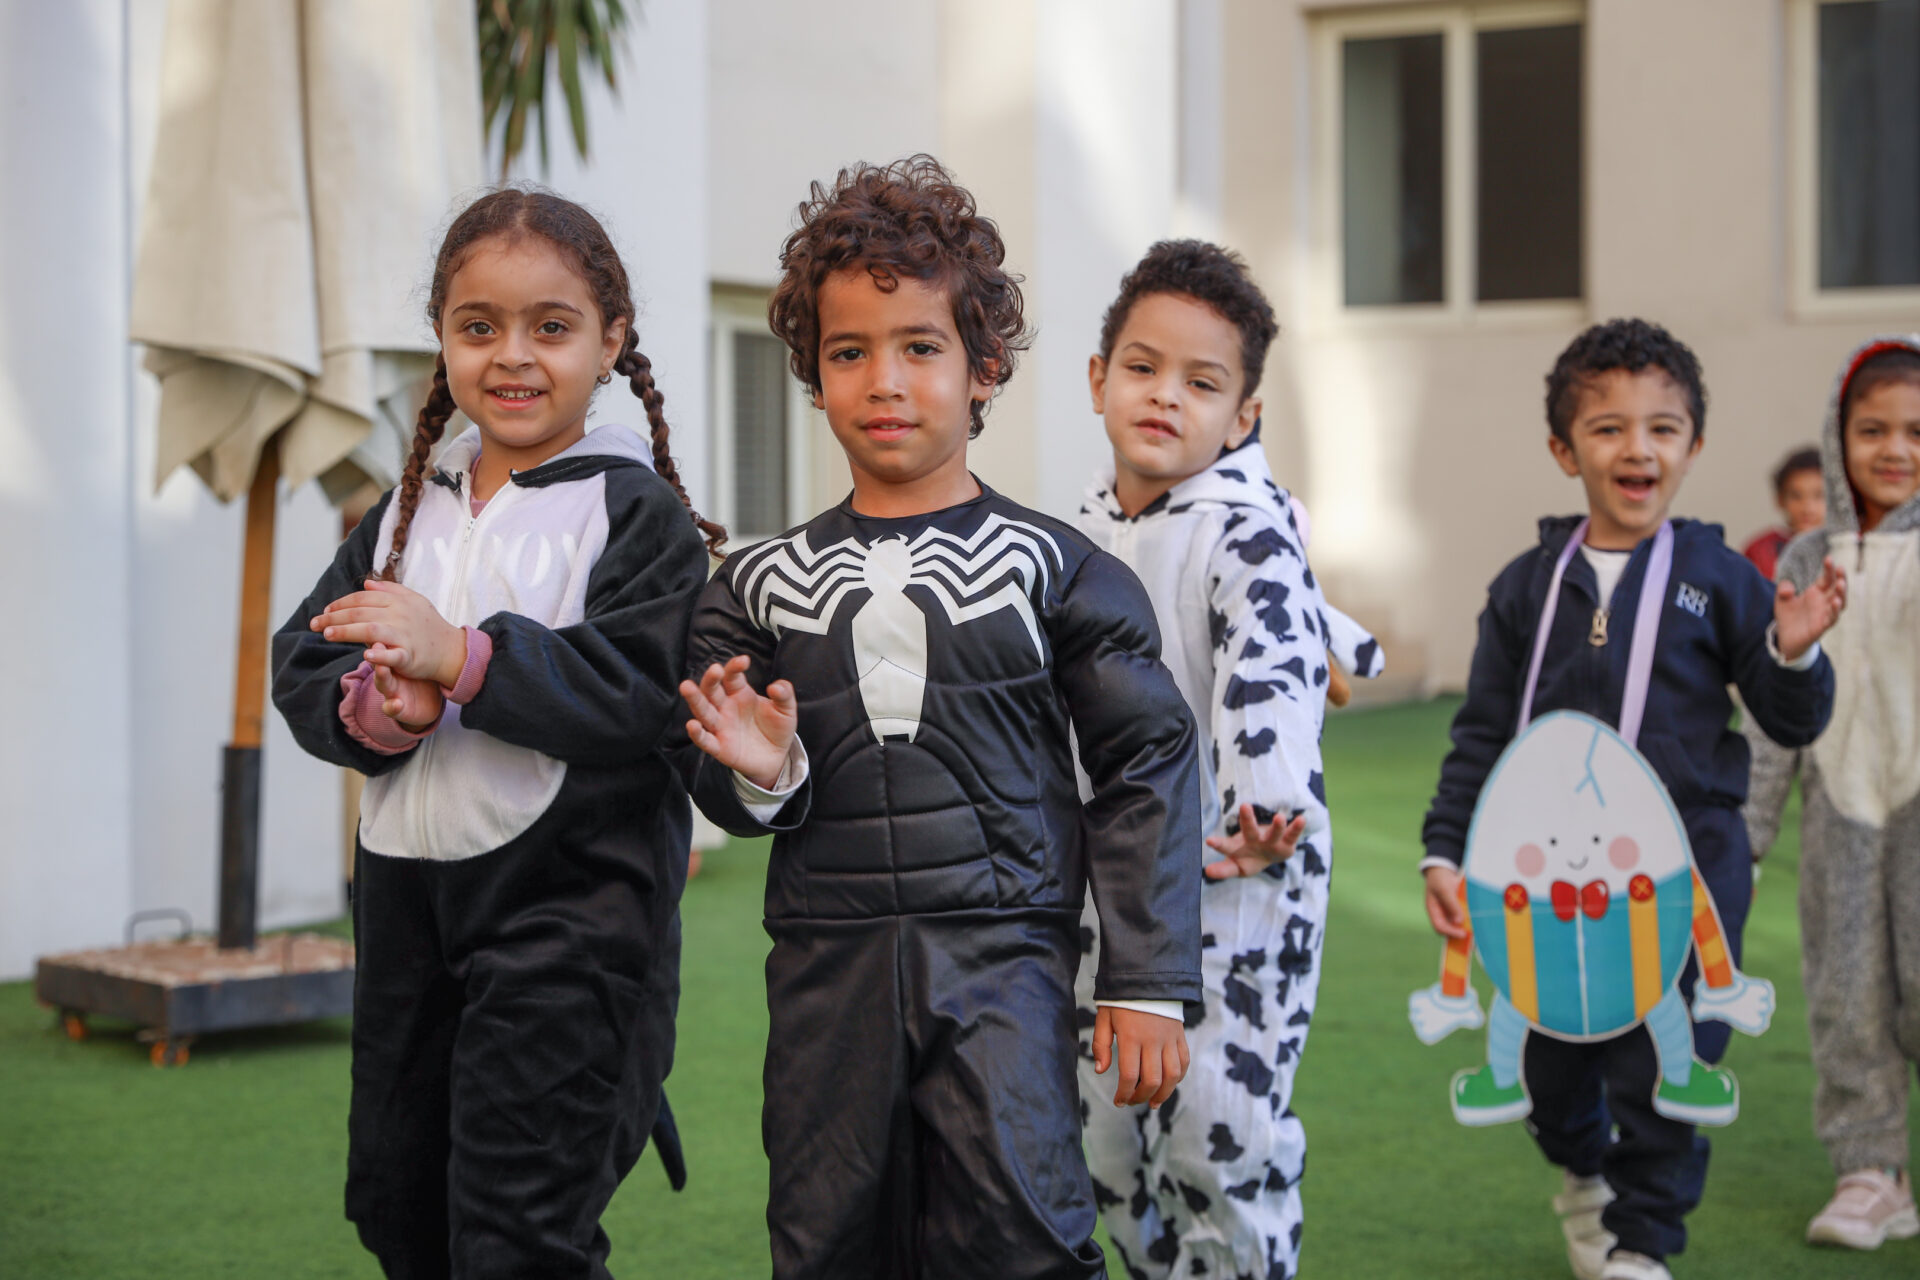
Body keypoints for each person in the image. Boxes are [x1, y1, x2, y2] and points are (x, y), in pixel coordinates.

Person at [672, 155, 1204, 1280]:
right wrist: (764, 772)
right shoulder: (756, 587)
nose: (885, 380)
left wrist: (1145, 974)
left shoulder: (1057, 568)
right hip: (826, 966)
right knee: (828, 1239)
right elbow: (714, 774)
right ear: (813, 374)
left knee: (1023, 1236)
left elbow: (1146, 760)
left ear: (983, 366)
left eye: (920, 346)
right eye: (849, 351)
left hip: (1006, 960)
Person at [271, 188, 717, 1278]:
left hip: (572, 922)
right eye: (479, 326)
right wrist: (384, 707)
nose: (512, 355)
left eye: (550, 326)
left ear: (611, 341)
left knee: (519, 1234)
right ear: (442, 335)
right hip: (406, 919)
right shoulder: (405, 509)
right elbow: (305, 658)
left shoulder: (635, 512)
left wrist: (463, 658)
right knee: (398, 1205)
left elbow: (638, 689)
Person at [1419, 319, 1844, 1280]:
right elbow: (1481, 736)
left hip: (1686, 870)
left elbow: (1792, 721)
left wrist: (1794, 652)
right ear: (1564, 450)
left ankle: (1644, 1242)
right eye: (1607, 428)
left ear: (1694, 445)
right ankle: (1585, 1173)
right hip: (1547, 873)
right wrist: (1445, 851)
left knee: (1668, 1061)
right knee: (1546, 1071)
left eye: (1662, 427)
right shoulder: (1525, 588)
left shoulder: (1723, 579)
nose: (1636, 448)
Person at [1069, 239, 1381, 1279]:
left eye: (1202, 383)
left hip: (1237, 879)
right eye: (1143, 366)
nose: (1166, 395)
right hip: (1105, 889)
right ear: (1099, 379)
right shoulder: (1071, 537)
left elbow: (1273, 668)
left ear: (1243, 416)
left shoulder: (1248, 535)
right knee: (1106, 1140)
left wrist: (1265, 804)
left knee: (1216, 1133)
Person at [1744, 337, 1920, 1251]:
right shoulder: (1806, 557)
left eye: (1917, 432)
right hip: (1840, 814)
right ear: (1837, 436)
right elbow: (1771, 705)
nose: (1895, 449)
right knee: (1847, 995)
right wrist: (1745, 835)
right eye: (1873, 429)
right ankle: (1871, 1170)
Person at [1740, 447, 1825, 580]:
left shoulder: (1846, 548)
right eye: (1796, 496)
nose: (1808, 508)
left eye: (1819, 495)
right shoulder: (1759, 551)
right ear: (1780, 499)